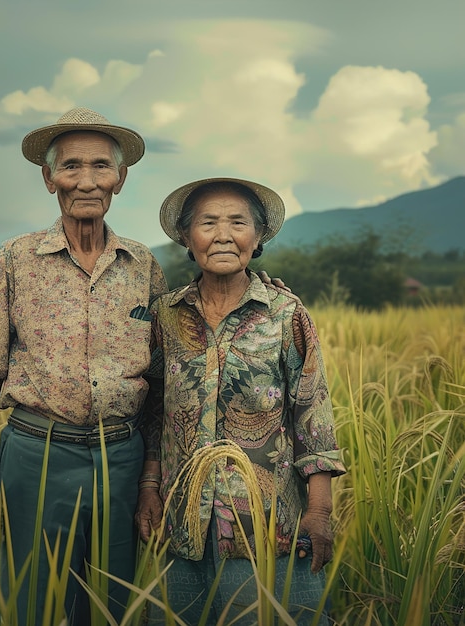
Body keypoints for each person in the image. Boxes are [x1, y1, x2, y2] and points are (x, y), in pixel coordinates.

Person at [0, 107, 167, 625]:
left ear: (122, 177)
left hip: (122, 455)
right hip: (36, 455)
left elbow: (162, 381)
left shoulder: (142, 265)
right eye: (71, 166)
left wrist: (149, 480)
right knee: (33, 602)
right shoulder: (13, 260)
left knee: (114, 604)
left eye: (101, 166)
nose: (87, 181)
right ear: (48, 177)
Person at [136, 177, 346, 625]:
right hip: (182, 520)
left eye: (238, 222)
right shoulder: (166, 316)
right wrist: (149, 488)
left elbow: (314, 415)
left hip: (266, 525)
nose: (224, 234)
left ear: (258, 236)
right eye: (208, 223)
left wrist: (320, 509)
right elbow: (154, 412)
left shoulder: (286, 314)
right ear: (188, 240)